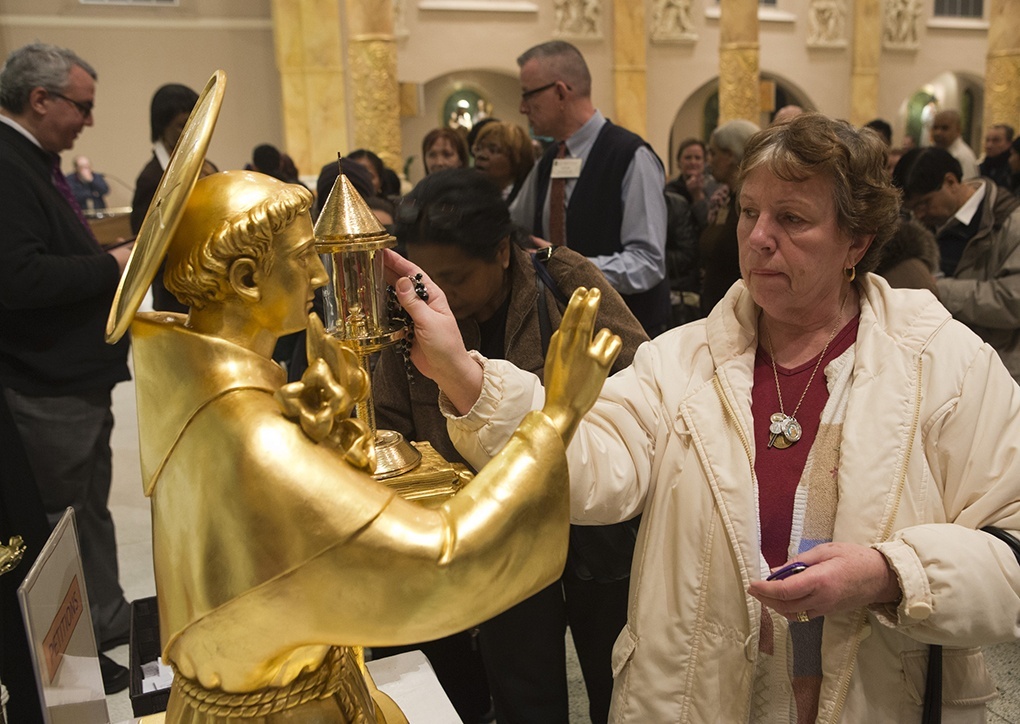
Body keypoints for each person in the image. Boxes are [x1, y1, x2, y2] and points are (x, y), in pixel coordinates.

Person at [391, 112, 1020, 722]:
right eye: (749, 211)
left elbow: (1010, 546)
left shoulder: (944, 363)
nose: (758, 237)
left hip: (883, 695)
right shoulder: (682, 359)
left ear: (856, 241)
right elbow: (594, 466)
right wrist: (465, 377)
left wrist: (891, 574)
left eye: (792, 218)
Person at [123, 168, 620, 723]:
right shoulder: (254, 434)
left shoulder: (197, 390)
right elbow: (442, 561)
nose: (319, 274)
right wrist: (555, 417)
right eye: (304, 255)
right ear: (244, 279)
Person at [373, 169, 648, 724]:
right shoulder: (410, 316)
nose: (440, 293)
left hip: (595, 528)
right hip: (498, 540)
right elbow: (390, 421)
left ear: (502, 252)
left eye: (456, 276)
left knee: (618, 679)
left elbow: (641, 384)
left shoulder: (564, 280)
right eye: (430, 277)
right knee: (524, 692)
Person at [0, 42, 133, 689]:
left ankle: (105, 633)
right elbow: (19, 279)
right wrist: (112, 263)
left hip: (75, 384)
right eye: (81, 107)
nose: (88, 120)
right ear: (40, 99)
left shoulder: (33, 160)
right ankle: (67, 664)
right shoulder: (6, 164)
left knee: (90, 515)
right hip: (46, 390)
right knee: (57, 530)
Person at [509, 40, 670, 338]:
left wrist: (567, 268)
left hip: (625, 336)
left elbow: (647, 263)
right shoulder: (548, 161)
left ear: (560, 91)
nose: (522, 107)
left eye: (528, 94)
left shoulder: (630, 155)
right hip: (566, 331)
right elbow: (512, 221)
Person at [901, 146, 1020, 382]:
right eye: (913, 209)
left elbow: (1013, 299)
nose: (920, 215)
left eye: (924, 204)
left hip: (997, 366)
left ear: (951, 181)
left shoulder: (1010, 222)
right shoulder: (927, 224)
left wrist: (939, 289)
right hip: (943, 364)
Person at [130, 82, 217, 313]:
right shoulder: (152, 178)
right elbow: (145, 248)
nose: (190, 132)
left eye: (194, 123)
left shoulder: (208, 166)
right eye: (181, 126)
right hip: (175, 297)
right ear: (162, 129)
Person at [699, 118, 760, 314]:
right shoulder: (729, 199)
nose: (709, 161)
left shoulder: (753, 207)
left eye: (714, 153)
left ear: (730, 155)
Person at [470, 121, 536, 204]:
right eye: (478, 148)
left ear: (516, 159)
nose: (481, 155)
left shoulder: (526, 202)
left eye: (493, 150)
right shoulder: (466, 195)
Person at [665, 137, 721, 234]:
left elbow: (709, 225)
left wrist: (697, 195)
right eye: (688, 158)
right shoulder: (670, 190)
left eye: (697, 158)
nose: (693, 162)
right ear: (679, 162)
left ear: (704, 162)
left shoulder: (715, 188)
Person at [930, 109, 978, 179]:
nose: (938, 133)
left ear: (958, 130)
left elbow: (967, 187)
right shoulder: (934, 151)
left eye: (944, 128)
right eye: (935, 128)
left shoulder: (963, 156)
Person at [978, 123, 1015, 191]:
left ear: (1009, 143)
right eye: (987, 140)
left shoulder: (1013, 169)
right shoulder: (982, 167)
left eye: (996, 140)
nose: (989, 145)